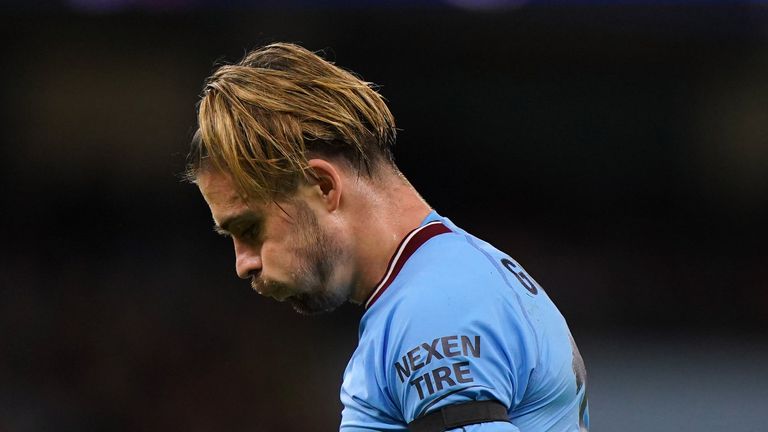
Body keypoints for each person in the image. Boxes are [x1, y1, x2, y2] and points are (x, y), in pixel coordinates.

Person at [186, 42, 589, 432]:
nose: (244, 264)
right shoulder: (442, 282)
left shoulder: (437, 308)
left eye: (250, 229)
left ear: (323, 186)